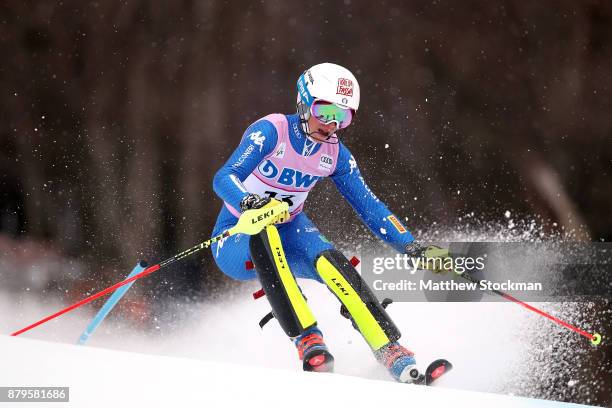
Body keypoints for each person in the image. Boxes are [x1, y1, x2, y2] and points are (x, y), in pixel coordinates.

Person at [211, 63, 444, 383]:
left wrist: (412, 246)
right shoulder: (271, 131)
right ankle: (307, 338)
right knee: (265, 232)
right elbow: (224, 177)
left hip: (291, 230)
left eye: (343, 116)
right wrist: (249, 203)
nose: (331, 124)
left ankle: (390, 350)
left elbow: (370, 207)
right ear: (304, 102)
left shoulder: (337, 155)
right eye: (325, 111)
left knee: (332, 262)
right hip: (237, 235)